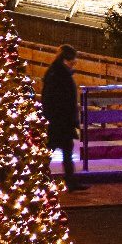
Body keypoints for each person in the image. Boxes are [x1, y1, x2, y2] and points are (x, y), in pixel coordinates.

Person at [42, 45, 88, 191]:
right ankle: (68, 181)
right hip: (60, 120)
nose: (75, 62)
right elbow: (59, 99)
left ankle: (68, 180)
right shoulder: (59, 75)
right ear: (66, 59)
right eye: (73, 59)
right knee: (54, 149)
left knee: (60, 149)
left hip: (59, 119)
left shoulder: (56, 73)